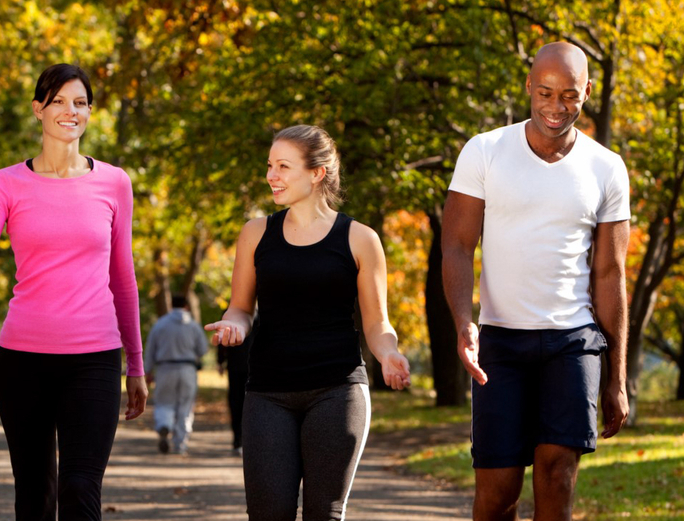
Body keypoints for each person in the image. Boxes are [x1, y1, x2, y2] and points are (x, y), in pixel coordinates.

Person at [0, 63, 148, 521]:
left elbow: (122, 276)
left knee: (80, 488)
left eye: (80, 102)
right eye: (59, 101)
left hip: (95, 358)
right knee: (34, 494)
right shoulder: (5, 184)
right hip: (24, 360)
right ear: (37, 110)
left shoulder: (115, 183)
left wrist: (135, 365)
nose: (71, 111)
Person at [441, 42, 631, 521]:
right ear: (529, 86)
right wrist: (465, 324)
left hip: (573, 342)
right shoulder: (484, 151)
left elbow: (610, 274)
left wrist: (618, 378)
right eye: (545, 92)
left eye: (569, 95)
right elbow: (457, 247)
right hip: (500, 343)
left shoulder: (606, 168)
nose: (555, 106)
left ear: (587, 91)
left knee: (556, 477)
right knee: (497, 494)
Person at [204, 124, 413, 520]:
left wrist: (388, 353)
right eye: (270, 165)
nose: (271, 176)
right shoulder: (255, 234)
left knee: (324, 512)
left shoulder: (360, 239)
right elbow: (241, 307)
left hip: (337, 391)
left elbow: (376, 323)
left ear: (317, 173)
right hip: (268, 392)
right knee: (268, 513)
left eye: (283, 166)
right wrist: (235, 326)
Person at [143, 295, 209, 455]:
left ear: (171, 305)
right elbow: (203, 349)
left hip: (165, 368)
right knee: (185, 407)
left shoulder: (160, 324)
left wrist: (147, 371)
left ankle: (164, 425)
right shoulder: (193, 325)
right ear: (186, 306)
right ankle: (180, 444)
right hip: (187, 369)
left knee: (164, 402)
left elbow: (150, 349)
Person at [217, 312, 256, 456]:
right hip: (250, 367)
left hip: (238, 366)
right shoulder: (256, 314)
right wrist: (220, 360)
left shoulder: (231, 314)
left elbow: (222, 342)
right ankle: (241, 440)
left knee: (236, 402)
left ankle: (239, 440)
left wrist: (220, 360)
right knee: (243, 403)